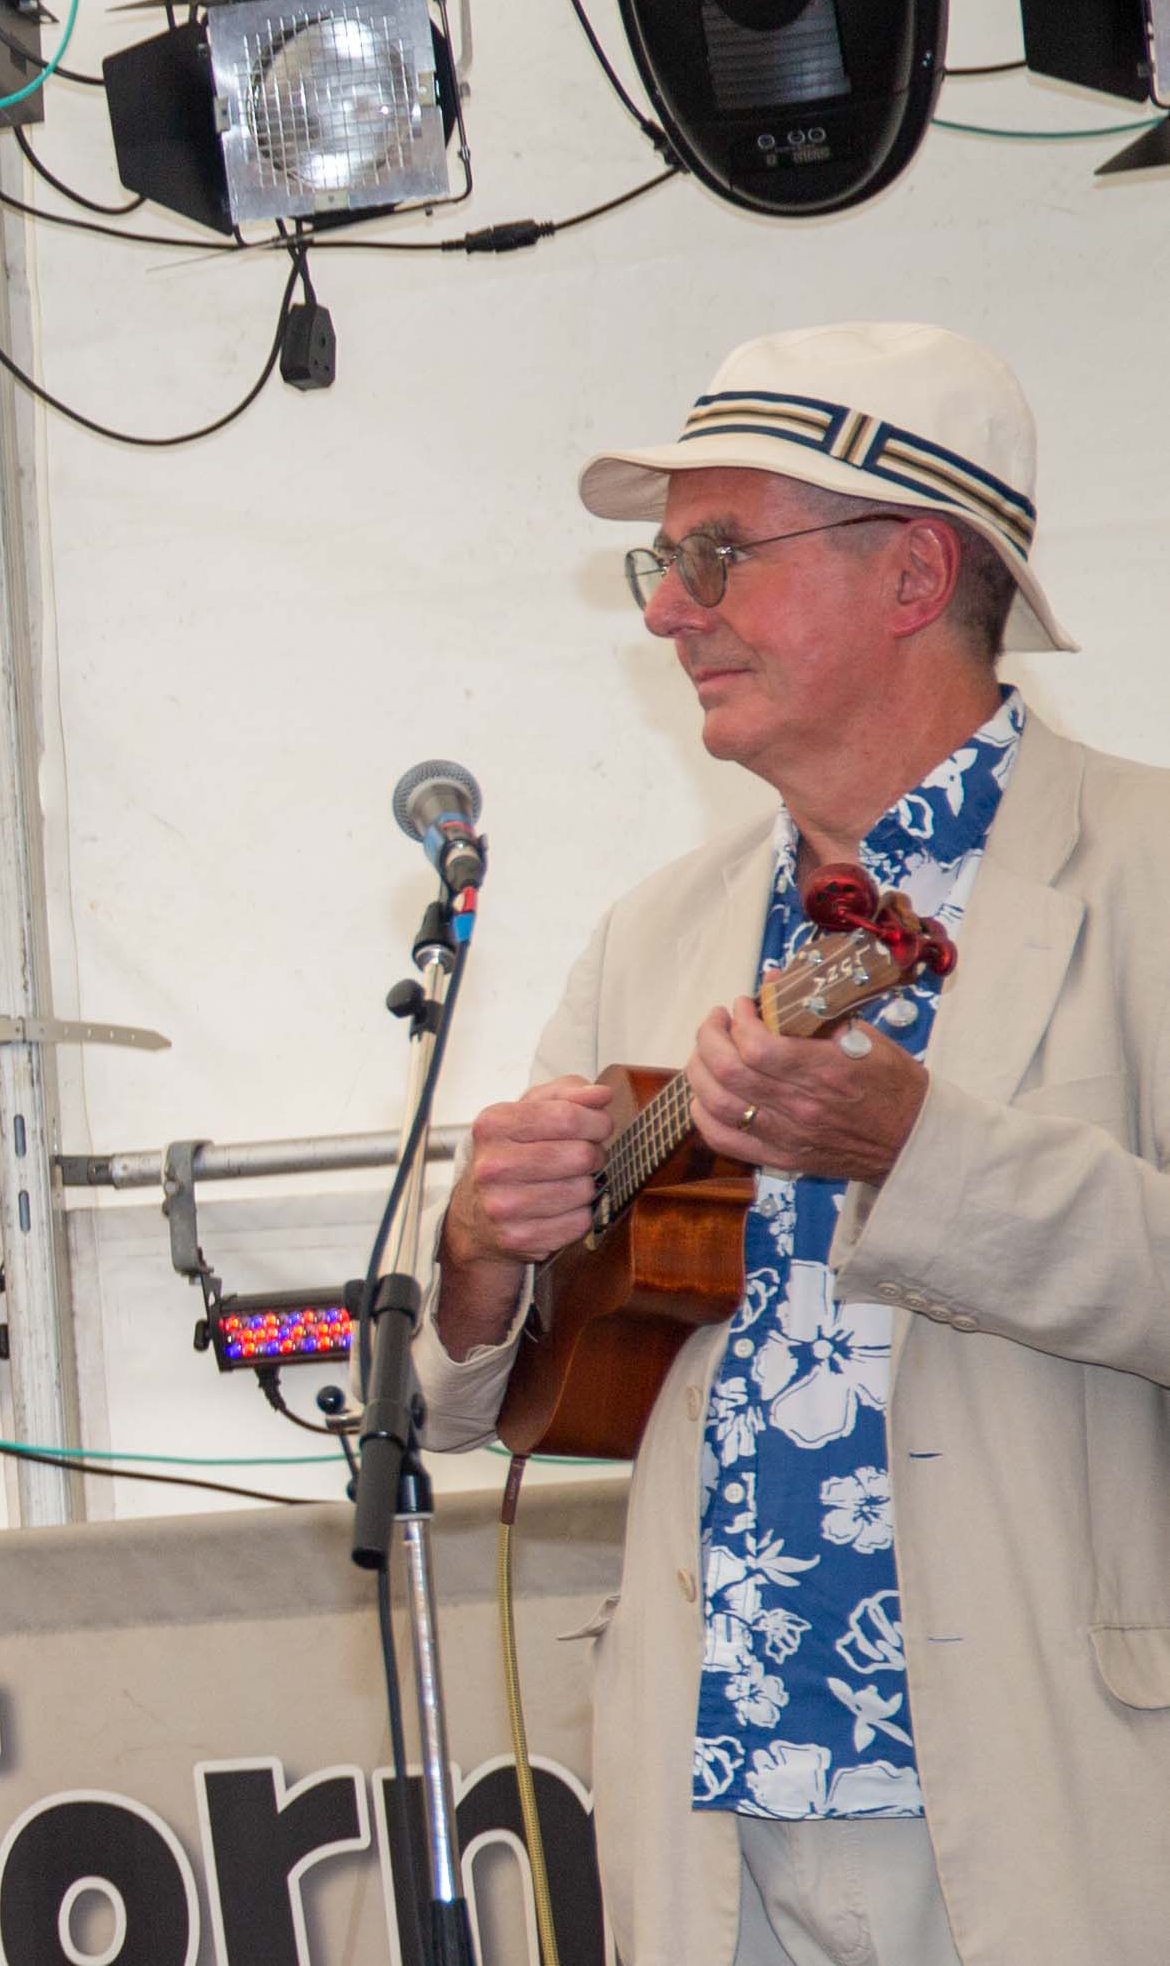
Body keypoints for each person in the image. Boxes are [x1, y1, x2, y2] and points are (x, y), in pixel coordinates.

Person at [418, 323, 1170, 1965]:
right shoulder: (651, 934)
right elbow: (469, 1397)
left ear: (914, 570)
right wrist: (479, 1248)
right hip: (721, 1813)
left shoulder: (1151, 867)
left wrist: (923, 1153)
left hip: (1063, 1791)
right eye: (665, 564)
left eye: (716, 555)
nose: (667, 612)